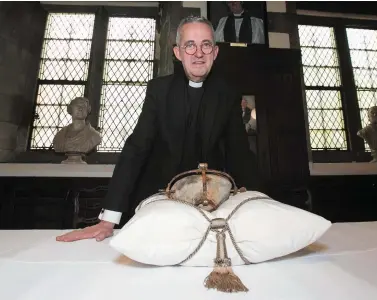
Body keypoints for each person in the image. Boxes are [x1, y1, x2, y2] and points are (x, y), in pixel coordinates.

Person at [56, 16, 258, 243]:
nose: (198, 53)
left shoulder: (227, 94)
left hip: (209, 206)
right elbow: (136, 148)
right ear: (178, 53)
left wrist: (258, 205)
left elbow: (240, 154)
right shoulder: (159, 90)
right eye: (189, 45)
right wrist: (108, 219)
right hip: (159, 201)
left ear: (215, 52)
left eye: (206, 45)